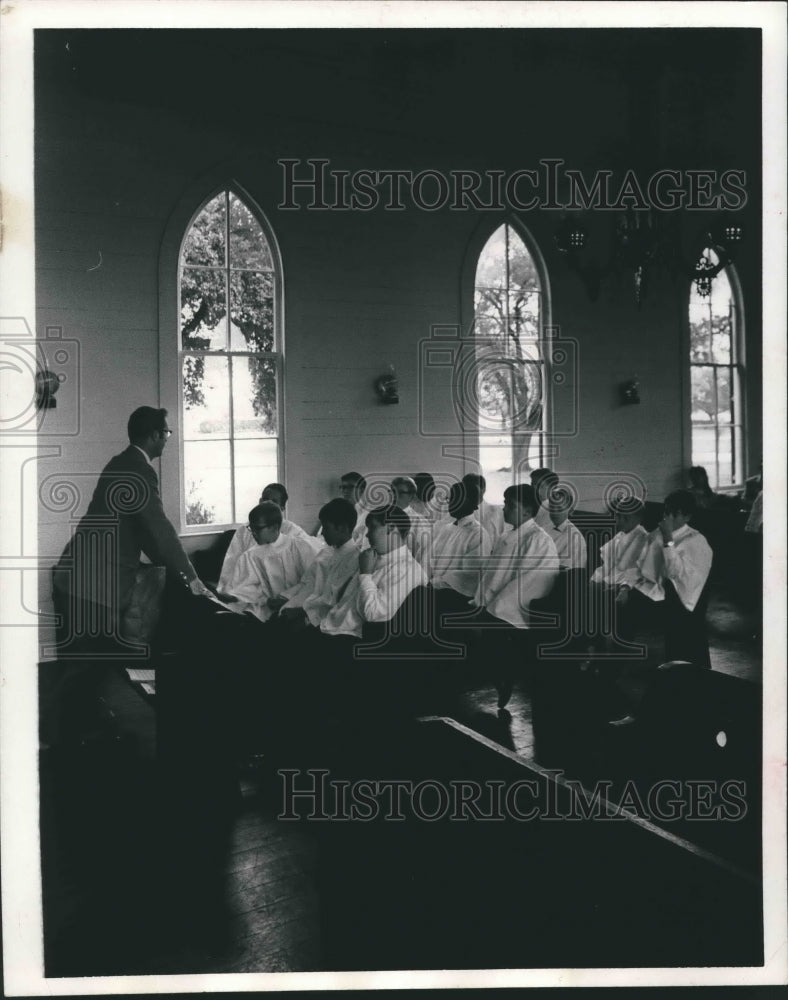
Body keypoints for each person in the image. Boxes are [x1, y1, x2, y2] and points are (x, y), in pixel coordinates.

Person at [49, 406, 210, 743]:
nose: (166, 439)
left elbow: (145, 533)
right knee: (84, 662)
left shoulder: (120, 462)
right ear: (153, 435)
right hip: (91, 582)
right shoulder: (138, 470)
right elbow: (159, 529)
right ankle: (55, 737)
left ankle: (76, 729)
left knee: (87, 660)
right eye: (165, 433)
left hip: (80, 576)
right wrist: (192, 578)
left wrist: (169, 566)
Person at [473, 484, 560, 707]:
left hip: (524, 604)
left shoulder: (537, 539)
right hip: (501, 598)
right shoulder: (509, 535)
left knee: (488, 627)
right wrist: (483, 598)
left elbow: (529, 580)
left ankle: (505, 676)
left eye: (510, 505)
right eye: (505, 504)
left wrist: (494, 604)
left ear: (527, 511)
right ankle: (498, 675)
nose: (504, 509)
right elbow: (495, 573)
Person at [617, 490, 713, 668]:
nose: (667, 517)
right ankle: (617, 665)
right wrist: (625, 587)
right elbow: (636, 565)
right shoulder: (657, 534)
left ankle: (678, 670)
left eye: (673, 513)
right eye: (666, 512)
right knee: (618, 605)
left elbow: (675, 574)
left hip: (684, 600)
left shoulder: (696, 541)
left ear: (686, 516)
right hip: (660, 593)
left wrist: (668, 540)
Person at [221, 501, 316, 622]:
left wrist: (288, 597)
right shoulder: (250, 556)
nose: (253, 533)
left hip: (297, 606)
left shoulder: (299, 547)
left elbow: (313, 580)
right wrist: (265, 600)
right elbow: (244, 588)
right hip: (264, 610)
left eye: (258, 528)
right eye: (251, 528)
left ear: (275, 527)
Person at [218, 482, 318, 591]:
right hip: (249, 589)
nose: (268, 503)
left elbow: (311, 566)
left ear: (282, 507)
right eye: (265, 499)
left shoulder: (293, 533)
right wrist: (226, 589)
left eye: (274, 501)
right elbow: (231, 562)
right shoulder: (244, 530)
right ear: (260, 501)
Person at [279, 498, 360, 631]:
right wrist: (285, 598)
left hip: (321, 619)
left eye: (326, 528)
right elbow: (307, 582)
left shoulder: (354, 560)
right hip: (305, 606)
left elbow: (332, 602)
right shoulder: (325, 553)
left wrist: (302, 612)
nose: (322, 533)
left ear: (343, 528)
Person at [425, 481, 492, 610]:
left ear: (470, 502)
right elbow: (429, 558)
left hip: (455, 596)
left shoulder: (478, 534)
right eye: (449, 499)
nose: (450, 504)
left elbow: (469, 574)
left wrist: (436, 583)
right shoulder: (446, 529)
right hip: (433, 589)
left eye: (455, 499)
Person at [589, 499, 649, 589]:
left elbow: (638, 575)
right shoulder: (619, 536)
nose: (619, 520)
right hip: (607, 584)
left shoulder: (644, 540)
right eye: (617, 515)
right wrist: (595, 579)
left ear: (638, 518)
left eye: (625, 517)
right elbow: (607, 565)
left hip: (624, 588)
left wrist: (622, 587)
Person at [545, 484, 587, 572]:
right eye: (552, 507)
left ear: (570, 510)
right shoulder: (546, 528)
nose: (555, 512)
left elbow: (565, 570)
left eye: (559, 508)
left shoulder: (574, 538)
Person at [462, 472, 506, 543]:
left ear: (483, 489)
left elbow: (503, 537)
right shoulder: (458, 513)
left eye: (474, 488)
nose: (471, 491)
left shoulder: (497, 511)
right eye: (467, 488)